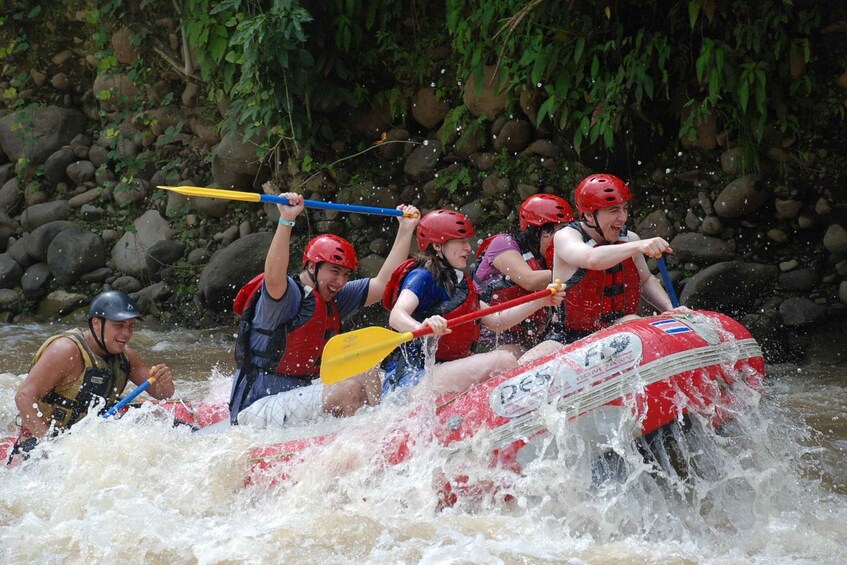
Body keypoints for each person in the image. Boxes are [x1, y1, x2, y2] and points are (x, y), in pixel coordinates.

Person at [229, 192, 420, 428]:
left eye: (345, 274)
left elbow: (382, 285)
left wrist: (405, 230)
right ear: (312, 266)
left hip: (301, 392)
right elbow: (273, 275)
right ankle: (356, 448)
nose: (340, 281)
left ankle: (378, 433)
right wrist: (286, 220)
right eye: (334, 271)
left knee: (367, 370)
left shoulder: (333, 297)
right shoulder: (285, 297)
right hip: (256, 408)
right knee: (348, 390)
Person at [381, 209, 565, 399]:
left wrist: (541, 300)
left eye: (467, 241)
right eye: (461, 242)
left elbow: (496, 320)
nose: (468, 248)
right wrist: (421, 327)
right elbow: (396, 315)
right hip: (411, 383)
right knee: (502, 361)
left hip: (440, 373)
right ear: (437, 245)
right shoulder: (422, 276)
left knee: (517, 356)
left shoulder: (460, 282)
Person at [13, 291, 175, 442]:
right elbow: (24, 396)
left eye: (130, 326)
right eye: (119, 325)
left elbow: (162, 394)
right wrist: (48, 443)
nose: (126, 333)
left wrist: (164, 381)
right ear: (97, 323)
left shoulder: (128, 357)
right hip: (45, 437)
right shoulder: (66, 350)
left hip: (89, 438)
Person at [551, 173, 674, 343]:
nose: (623, 218)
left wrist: (671, 309)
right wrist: (638, 246)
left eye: (625, 209)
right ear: (588, 215)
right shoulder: (566, 237)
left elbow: (645, 280)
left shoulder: (630, 239)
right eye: (614, 210)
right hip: (566, 337)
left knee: (631, 320)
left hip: (617, 329)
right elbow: (591, 259)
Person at [472, 193, 574, 356]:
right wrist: (578, 269)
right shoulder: (503, 244)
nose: (567, 239)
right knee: (513, 354)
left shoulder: (549, 258)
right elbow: (529, 281)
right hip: (491, 341)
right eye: (561, 231)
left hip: (530, 337)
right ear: (540, 232)